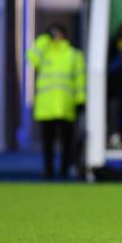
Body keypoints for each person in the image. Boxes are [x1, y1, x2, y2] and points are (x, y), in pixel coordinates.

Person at [26, 25, 86, 179]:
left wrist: (80, 100)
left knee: (67, 141)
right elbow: (31, 56)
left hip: (66, 105)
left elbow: (80, 79)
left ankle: (65, 170)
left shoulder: (74, 54)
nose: (56, 36)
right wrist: (44, 38)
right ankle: (48, 171)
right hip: (46, 107)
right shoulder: (44, 51)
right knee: (47, 142)